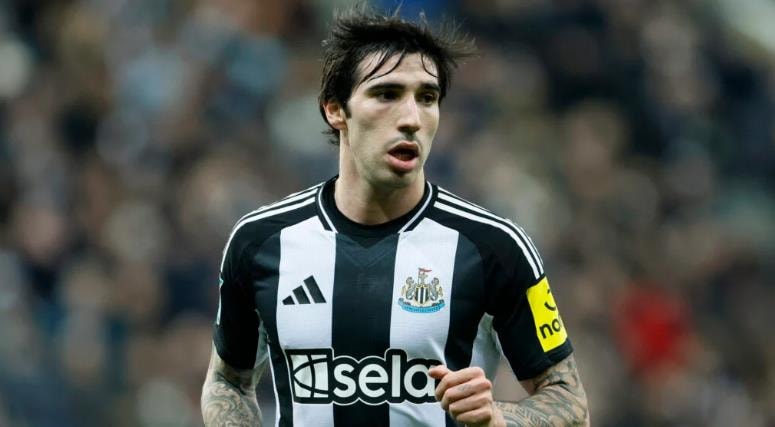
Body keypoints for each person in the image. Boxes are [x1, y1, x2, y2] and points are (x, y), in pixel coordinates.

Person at [201, 6, 589, 427]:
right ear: (335, 109)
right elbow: (227, 381)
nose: (411, 119)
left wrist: (499, 418)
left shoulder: (494, 247)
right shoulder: (261, 241)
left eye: (427, 98)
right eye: (387, 94)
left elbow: (569, 402)